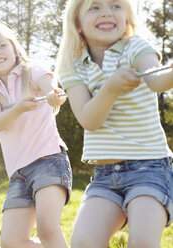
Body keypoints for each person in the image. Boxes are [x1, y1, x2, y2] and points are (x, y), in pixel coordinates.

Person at [56, 0, 173, 247]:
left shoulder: (136, 47)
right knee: (83, 242)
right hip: (105, 176)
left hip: (150, 170)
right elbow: (89, 119)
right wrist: (110, 88)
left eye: (116, 6)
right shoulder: (73, 64)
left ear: (127, 17)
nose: (107, 12)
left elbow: (157, 80)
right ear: (77, 22)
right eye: (95, 7)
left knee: (141, 242)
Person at [0, 23, 72, 248]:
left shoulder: (30, 70)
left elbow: (51, 88)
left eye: (1, 46)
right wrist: (18, 107)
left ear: (14, 48)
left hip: (49, 160)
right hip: (18, 173)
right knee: (12, 242)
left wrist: (53, 94)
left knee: (47, 230)